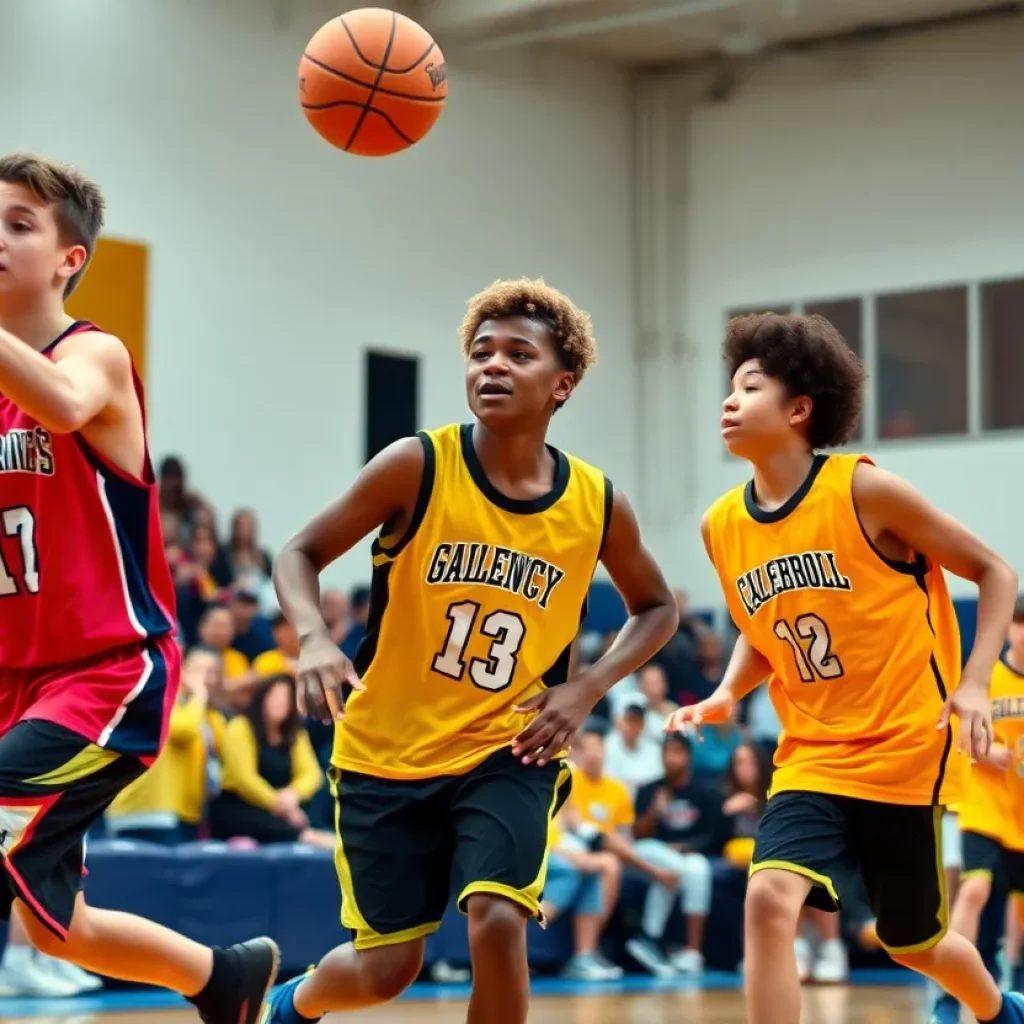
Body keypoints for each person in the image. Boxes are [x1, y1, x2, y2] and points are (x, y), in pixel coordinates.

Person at [265, 278, 678, 1024]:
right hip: (385, 752)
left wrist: (587, 688)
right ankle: (292, 1004)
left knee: (497, 917)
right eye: (481, 352)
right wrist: (314, 636)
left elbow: (658, 608)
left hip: (508, 745)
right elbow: (298, 552)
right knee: (387, 968)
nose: (493, 365)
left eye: (519, 354)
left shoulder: (596, 503)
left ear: (563, 385)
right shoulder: (416, 465)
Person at [667, 311, 1022, 1024]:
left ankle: (999, 1010)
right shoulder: (721, 525)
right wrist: (727, 691)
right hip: (811, 756)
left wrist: (977, 681)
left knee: (913, 941)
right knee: (768, 898)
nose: (729, 402)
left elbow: (993, 571)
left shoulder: (863, 492)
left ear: (799, 408)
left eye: (750, 387)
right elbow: (760, 625)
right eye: (728, 389)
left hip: (903, 749)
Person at [0, 153, 278, 1023]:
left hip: (105, 676)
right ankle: (223, 979)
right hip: (18, 683)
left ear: (70, 259)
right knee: (55, 928)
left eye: (18, 223)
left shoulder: (97, 357)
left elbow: (60, 404)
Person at [932, 598, 1024, 1023]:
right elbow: (956, 730)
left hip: (1019, 813)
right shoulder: (986, 678)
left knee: (1019, 908)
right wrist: (987, 755)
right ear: (1008, 629)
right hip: (984, 805)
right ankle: (946, 997)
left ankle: (1015, 984)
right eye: (1020, 625)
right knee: (974, 890)